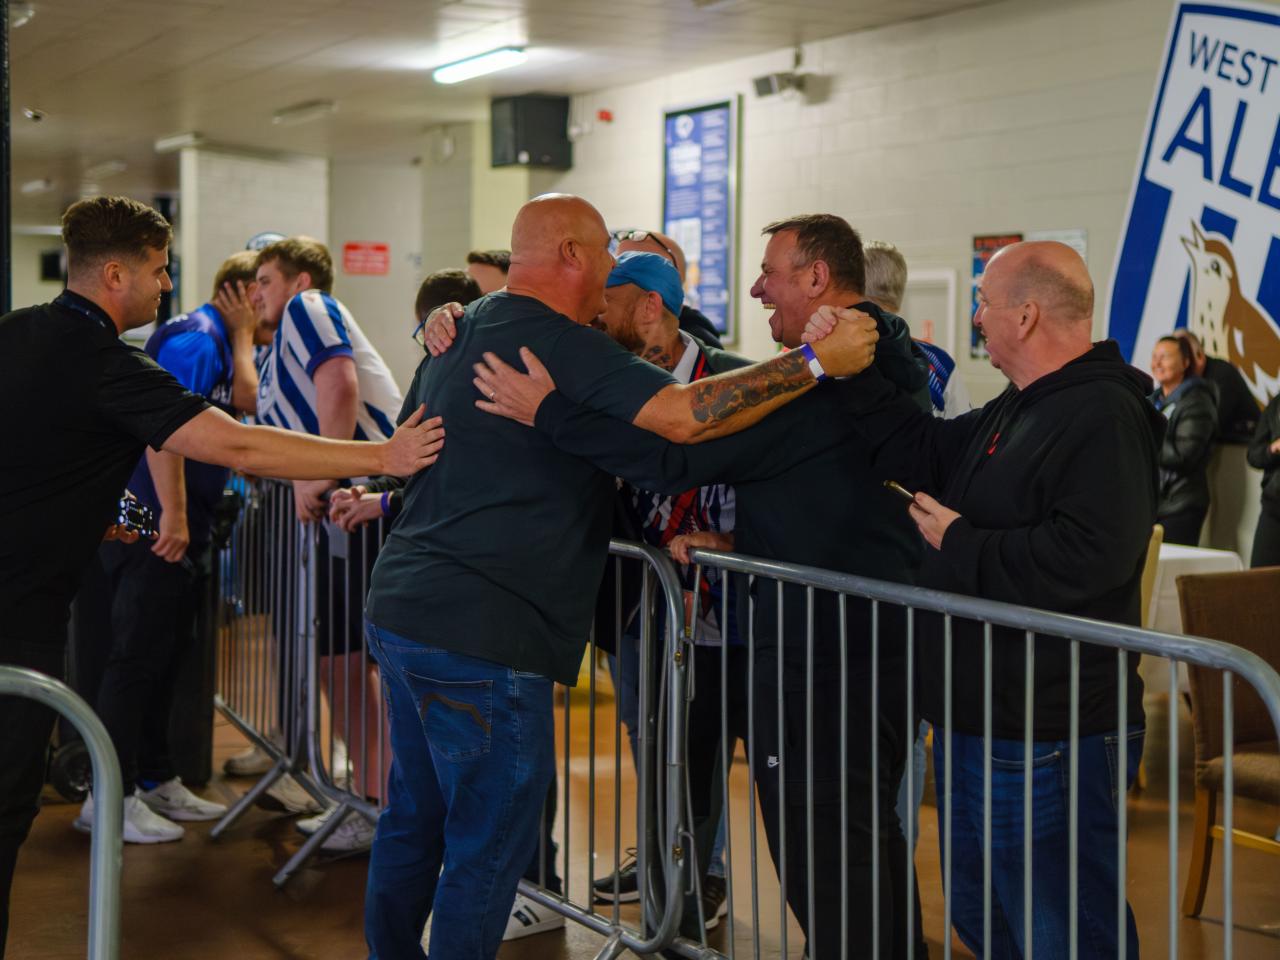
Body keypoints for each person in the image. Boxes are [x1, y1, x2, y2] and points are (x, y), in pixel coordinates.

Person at [359, 195, 882, 960]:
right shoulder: (555, 339)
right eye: (604, 253)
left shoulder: (469, 325)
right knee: (487, 841)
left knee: (416, 815)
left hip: (405, 608)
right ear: (571, 255)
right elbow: (679, 418)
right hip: (484, 632)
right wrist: (811, 362)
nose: (609, 274)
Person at [0, 196, 443, 957]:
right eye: (156, 269)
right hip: (21, 617)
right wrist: (382, 458)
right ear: (113, 275)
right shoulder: (109, 364)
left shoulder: (15, 334)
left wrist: (130, 527)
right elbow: (241, 446)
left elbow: (55, 473)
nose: (166, 284)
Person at [802, 240, 1163, 959]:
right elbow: (924, 451)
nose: (975, 316)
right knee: (983, 910)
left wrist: (962, 542)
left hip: (1051, 727)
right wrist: (852, 368)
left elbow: (1090, 558)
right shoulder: (1022, 406)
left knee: (1060, 922)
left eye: (984, 304)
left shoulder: (1102, 415)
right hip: (979, 715)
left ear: (1026, 316)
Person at [72, 252, 260, 844]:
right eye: (265, 289)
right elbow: (164, 434)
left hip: (180, 525)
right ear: (239, 293)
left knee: (163, 658)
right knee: (135, 660)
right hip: (154, 528)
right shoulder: (195, 340)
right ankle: (108, 796)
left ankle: (154, 778)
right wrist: (173, 517)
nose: (166, 284)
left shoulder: (222, 342)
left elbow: (242, 409)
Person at [250, 236, 405, 849]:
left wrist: (319, 474)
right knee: (336, 663)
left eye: (266, 278)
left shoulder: (309, 309)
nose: (257, 291)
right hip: (344, 510)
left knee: (359, 663)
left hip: (363, 504)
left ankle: (387, 808)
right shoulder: (278, 336)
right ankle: (367, 801)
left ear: (301, 279)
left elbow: (338, 386)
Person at [1150, 334, 1219, 546]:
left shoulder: (1198, 400)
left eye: (1165, 357)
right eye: (1154, 357)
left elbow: (1185, 454)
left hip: (1180, 504)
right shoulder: (1153, 400)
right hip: (1152, 502)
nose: (1157, 363)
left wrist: (1143, 442)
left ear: (1185, 362)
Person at [611, 228, 724, 348]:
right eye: (614, 267)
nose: (612, 281)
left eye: (630, 270)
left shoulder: (694, 349)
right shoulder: (611, 334)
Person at [1175, 328, 1259, 442]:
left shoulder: (1223, 374)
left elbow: (1210, 424)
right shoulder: (1180, 380)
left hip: (1240, 446)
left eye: (1184, 358)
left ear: (1199, 355)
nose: (1182, 366)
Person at [1247, 391, 1280, 567]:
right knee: (1259, 581)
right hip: (1273, 508)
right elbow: (1254, 455)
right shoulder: (1276, 404)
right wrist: (1273, 449)